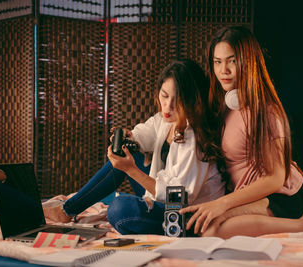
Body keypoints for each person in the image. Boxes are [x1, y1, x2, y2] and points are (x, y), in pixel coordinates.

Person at [180, 26, 303, 246]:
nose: (223, 70)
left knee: (211, 232)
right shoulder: (227, 105)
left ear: (248, 62)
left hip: (281, 196)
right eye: (217, 62)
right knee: (203, 227)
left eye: (232, 61)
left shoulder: (265, 112)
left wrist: (223, 204)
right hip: (253, 196)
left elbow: (276, 178)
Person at [44, 59, 225, 235]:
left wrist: (131, 170)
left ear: (192, 100)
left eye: (177, 100)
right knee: (125, 154)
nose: (168, 106)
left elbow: (177, 198)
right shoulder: (165, 121)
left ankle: (69, 211)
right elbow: (143, 133)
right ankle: (67, 211)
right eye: (164, 95)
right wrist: (126, 136)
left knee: (120, 209)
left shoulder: (193, 137)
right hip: (162, 199)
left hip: (184, 216)